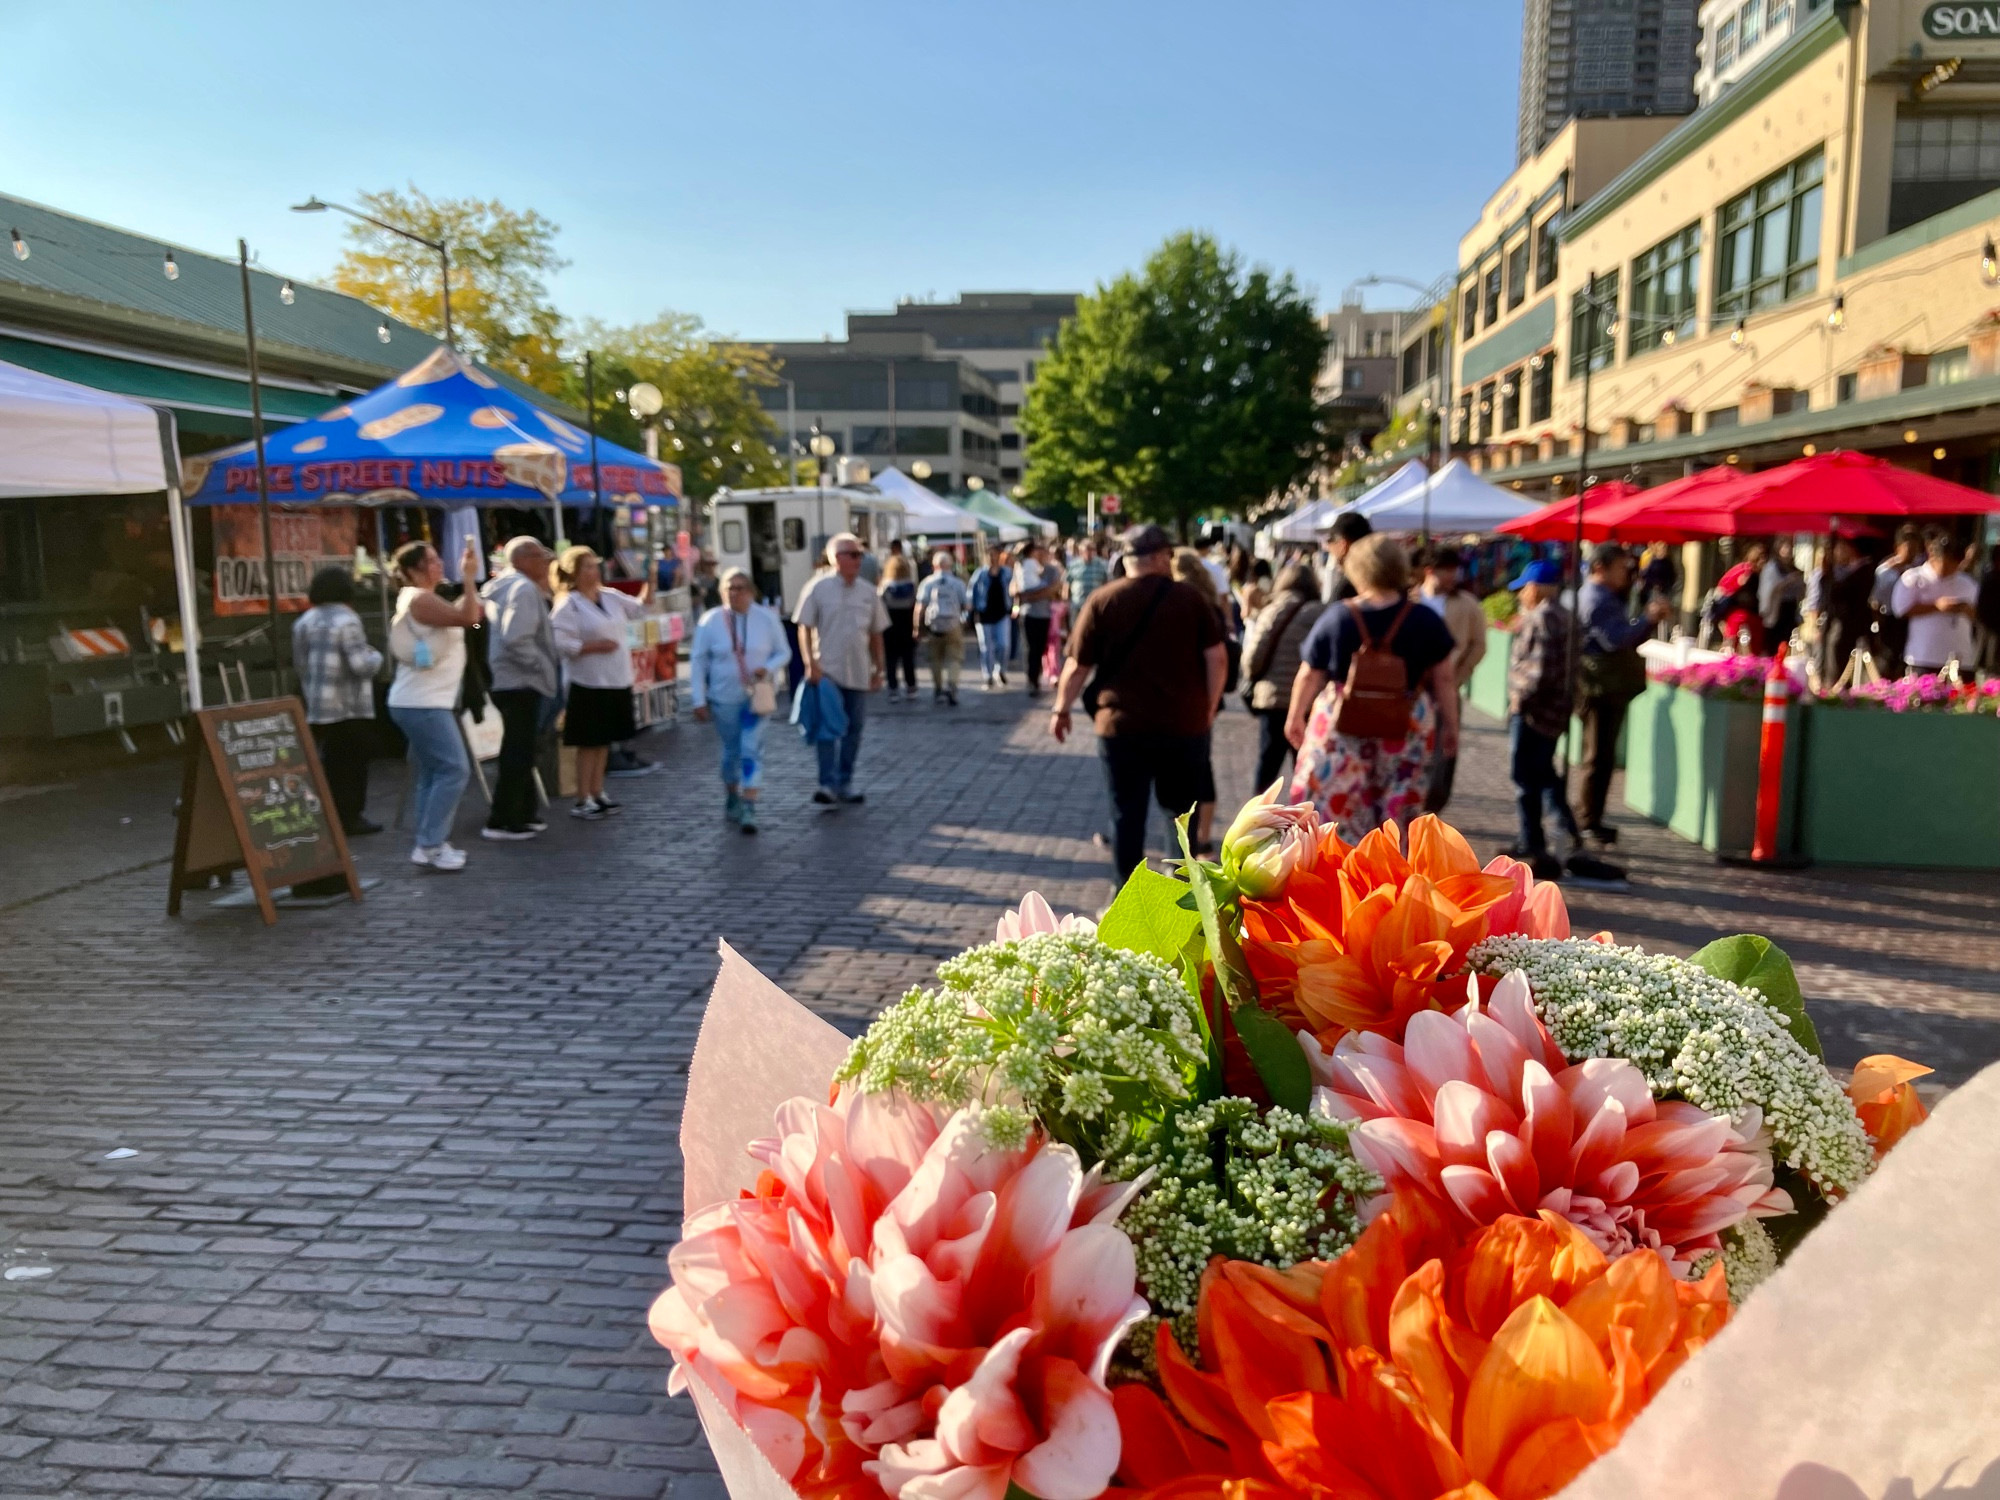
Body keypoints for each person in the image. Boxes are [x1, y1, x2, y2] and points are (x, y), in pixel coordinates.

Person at [1051, 524, 1225, 880]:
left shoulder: (1103, 599)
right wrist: (1209, 705)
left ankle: (1127, 896)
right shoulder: (1190, 599)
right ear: (1160, 557)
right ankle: (1181, 895)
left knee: (1126, 816)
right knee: (1181, 818)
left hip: (1121, 726)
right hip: (1183, 724)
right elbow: (1217, 658)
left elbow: (1077, 666)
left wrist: (1061, 709)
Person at [1284, 535, 1458, 841]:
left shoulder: (1337, 617)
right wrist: (1451, 726)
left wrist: (1295, 715)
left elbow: (1309, 674)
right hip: (1407, 722)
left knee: (1336, 803)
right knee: (1398, 804)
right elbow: (1444, 679)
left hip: (1344, 719)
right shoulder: (1424, 619)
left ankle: (1339, 859)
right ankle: (1390, 860)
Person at [386, 537, 484, 872]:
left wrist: (471, 600)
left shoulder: (425, 598)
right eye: (431, 560)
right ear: (415, 570)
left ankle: (429, 842)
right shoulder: (420, 599)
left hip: (425, 700)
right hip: (422, 702)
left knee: (432, 772)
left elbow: (472, 621)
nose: (439, 564)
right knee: (454, 769)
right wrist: (469, 577)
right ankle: (429, 844)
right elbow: (469, 619)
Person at [1576, 543, 1673, 842]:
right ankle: (1588, 819)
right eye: (1621, 567)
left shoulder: (1602, 596)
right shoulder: (1598, 598)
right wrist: (1647, 619)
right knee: (1598, 755)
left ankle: (1590, 816)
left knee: (1600, 755)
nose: (1626, 573)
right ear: (1600, 568)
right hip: (1600, 686)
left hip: (1603, 684)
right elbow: (1615, 641)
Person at [550, 545, 651, 821]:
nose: (594, 571)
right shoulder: (568, 604)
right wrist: (593, 646)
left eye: (595, 565)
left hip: (616, 678)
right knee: (589, 741)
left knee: (604, 740)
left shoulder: (609, 596)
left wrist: (650, 580)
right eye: (587, 567)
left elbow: (639, 608)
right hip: (588, 682)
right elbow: (560, 642)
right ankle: (582, 797)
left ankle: (598, 791)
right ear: (574, 572)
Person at [690, 567, 791, 833]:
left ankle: (749, 805)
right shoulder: (710, 621)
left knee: (751, 748)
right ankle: (732, 794)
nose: (734, 593)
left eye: (740, 588)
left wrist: (767, 668)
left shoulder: (766, 618)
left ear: (751, 591)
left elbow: (784, 652)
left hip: (757, 697)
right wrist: (698, 699)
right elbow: (698, 661)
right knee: (731, 750)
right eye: (728, 588)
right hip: (724, 697)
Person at [1505, 560, 1585, 881]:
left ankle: (1535, 839)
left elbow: (1537, 674)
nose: (1521, 595)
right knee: (1543, 773)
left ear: (1535, 588)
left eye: (1524, 588)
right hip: (1554, 711)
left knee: (1526, 777)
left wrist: (1518, 701)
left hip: (1535, 712)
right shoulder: (1565, 616)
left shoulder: (1542, 618)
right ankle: (1555, 831)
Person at [292, 565, 384, 839]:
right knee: (353, 764)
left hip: (318, 703)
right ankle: (350, 816)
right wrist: (376, 656)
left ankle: (329, 814)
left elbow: (300, 664)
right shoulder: (348, 620)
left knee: (330, 762)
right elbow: (360, 665)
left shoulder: (304, 621)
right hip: (349, 704)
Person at [795, 532, 888, 803]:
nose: (859, 560)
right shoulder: (817, 588)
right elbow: (804, 627)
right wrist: (809, 663)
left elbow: (876, 633)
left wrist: (879, 669)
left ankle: (845, 781)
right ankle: (827, 783)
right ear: (837, 558)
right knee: (827, 728)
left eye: (861, 555)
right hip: (827, 670)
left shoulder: (868, 592)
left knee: (853, 729)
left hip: (858, 670)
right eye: (854, 555)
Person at [478, 536, 558, 841]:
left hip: (511, 679)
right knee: (518, 751)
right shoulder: (523, 589)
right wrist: (539, 665)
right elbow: (515, 637)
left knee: (521, 749)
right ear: (522, 560)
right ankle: (503, 819)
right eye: (540, 556)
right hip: (520, 681)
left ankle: (524, 813)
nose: (546, 561)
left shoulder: (508, 586)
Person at [1416, 545, 1488, 815]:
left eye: (1454, 570)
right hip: (1411, 691)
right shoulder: (1410, 599)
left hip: (1447, 688)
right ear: (1429, 571)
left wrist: (1458, 675)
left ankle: (1433, 806)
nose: (1452, 576)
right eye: (1446, 570)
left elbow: (1478, 645)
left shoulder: (1467, 604)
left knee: (1444, 751)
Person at [1241, 561, 1323, 792]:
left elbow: (1252, 658)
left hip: (1273, 698)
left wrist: (1253, 675)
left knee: (1268, 765)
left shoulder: (1273, 609)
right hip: (1308, 700)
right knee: (1306, 764)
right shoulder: (1321, 612)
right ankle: (1306, 810)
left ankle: (1260, 811)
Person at [1171, 548, 1230, 854]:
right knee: (1202, 764)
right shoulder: (1211, 605)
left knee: (1187, 771)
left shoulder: (1177, 604)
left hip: (1184, 696)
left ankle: (1190, 839)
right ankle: (1203, 836)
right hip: (1207, 695)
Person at [1893, 527, 1979, 674]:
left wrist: (1966, 609)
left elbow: (1979, 616)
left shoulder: (1967, 582)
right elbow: (1900, 609)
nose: (1950, 571)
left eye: (1954, 567)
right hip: (1923, 656)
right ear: (1933, 557)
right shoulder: (1913, 578)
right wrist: (1936, 606)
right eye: (1945, 566)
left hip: (1960, 657)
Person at [917, 550, 971, 705]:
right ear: (950, 565)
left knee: (935, 659)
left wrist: (917, 628)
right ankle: (952, 684)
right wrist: (964, 620)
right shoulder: (958, 583)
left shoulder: (927, 583)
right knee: (955, 657)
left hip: (934, 626)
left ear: (934, 565)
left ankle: (938, 688)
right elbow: (967, 605)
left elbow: (920, 607)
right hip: (953, 624)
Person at [1871, 524, 1924, 676]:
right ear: (1898, 547)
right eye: (1908, 547)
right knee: (1888, 659)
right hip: (1889, 619)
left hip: (1912, 619)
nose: (1912, 552)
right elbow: (1876, 600)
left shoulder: (1919, 570)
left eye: (1914, 547)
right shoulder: (1885, 572)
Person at [1011, 538, 1060, 697]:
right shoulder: (1022, 567)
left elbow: (1053, 590)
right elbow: (1013, 589)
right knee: (1031, 648)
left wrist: (1029, 596)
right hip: (1028, 614)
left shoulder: (1052, 570)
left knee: (1040, 647)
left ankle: (1038, 674)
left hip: (1045, 614)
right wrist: (1023, 598)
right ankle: (1032, 680)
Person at [878, 550, 919, 702]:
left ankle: (893, 689)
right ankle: (911, 687)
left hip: (889, 628)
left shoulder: (885, 587)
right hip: (907, 627)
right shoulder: (911, 587)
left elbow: (879, 607)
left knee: (891, 660)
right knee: (908, 659)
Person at [969, 548, 1013, 689]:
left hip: (1002, 613)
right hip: (984, 614)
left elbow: (1014, 588)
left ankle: (1000, 670)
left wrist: (1015, 606)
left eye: (995, 555)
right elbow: (971, 591)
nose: (993, 559)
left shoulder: (1006, 573)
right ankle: (987, 675)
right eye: (990, 556)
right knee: (986, 647)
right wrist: (970, 609)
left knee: (1003, 645)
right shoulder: (980, 573)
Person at [1320, 511, 1373, 604]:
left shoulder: (1346, 589)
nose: (1328, 547)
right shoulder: (1385, 580)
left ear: (1343, 545)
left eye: (1329, 540)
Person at [1066, 537, 1109, 610]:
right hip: (1077, 605)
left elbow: (1107, 583)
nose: (1090, 552)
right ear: (1080, 551)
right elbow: (1066, 584)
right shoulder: (1073, 565)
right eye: (1087, 549)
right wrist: (1066, 602)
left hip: (1096, 604)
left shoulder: (1103, 564)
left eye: (1093, 549)